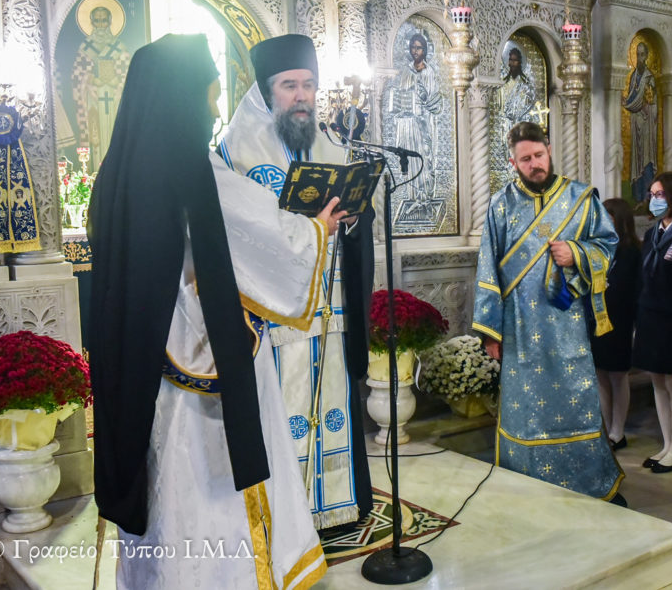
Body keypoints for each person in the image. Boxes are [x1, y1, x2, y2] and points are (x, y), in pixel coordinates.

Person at [89, 34, 346, 587]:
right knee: (206, 487)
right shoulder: (191, 169)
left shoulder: (114, 173)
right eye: (207, 95)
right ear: (181, 97)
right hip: (205, 363)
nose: (212, 108)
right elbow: (264, 234)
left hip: (145, 372)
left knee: (161, 484)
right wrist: (317, 231)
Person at [219, 34, 376, 529]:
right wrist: (312, 230)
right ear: (267, 92)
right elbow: (239, 234)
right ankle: (287, 519)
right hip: (270, 320)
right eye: (290, 86)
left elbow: (353, 223)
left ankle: (336, 508)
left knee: (333, 405)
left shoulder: (330, 145)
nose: (302, 96)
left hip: (330, 311)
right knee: (281, 412)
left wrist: (352, 221)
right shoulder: (234, 152)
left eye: (308, 85)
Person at [473, 122, 625, 502]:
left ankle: (585, 482)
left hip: (567, 324)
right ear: (513, 162)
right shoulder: (500, 205)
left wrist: (576, 253)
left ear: (550, 150)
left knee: (576, 401)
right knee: (526, 410)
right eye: (525, 159)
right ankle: (523, 486)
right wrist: (491, 332)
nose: (534, 164)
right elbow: (487, 268)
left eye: (539, 155)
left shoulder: (580, 197)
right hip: (520, 326)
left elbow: (608, 245)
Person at [633, 172, 672, 473]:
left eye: (660, 195)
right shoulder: (653, 232)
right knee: (656, 380)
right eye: (652, 195)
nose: (654, 201)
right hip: (650, 314)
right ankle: (666, 443)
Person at [588, 198, 641, 452]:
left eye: (607, 217)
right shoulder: (597, 248)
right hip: (596, 320)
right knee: (600, 374)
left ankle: (618, 431)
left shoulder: (631, 251)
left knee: (618, 376)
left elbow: (634, 289)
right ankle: (605, 428)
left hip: (619, 320)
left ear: (619, 220)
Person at [384, 32, 443, 201]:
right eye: (413, 47)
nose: (415, 51)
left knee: (422, 157)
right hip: (406, 122)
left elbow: (434, 100)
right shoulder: (405, 72)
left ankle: (423, 197)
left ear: (425, 50)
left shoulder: (429, 72)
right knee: (408, 159)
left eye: (419, 48)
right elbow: (399, 93)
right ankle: (411, 197)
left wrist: (423, 98)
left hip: (421, 123)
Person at [71, 4, 132, 169]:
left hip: (115, 99)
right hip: (93, 98)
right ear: (91, 23)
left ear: (110, 22)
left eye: (104, 21)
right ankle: (95, 169)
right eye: (97, 21)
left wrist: (117, 82)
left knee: (114, 130)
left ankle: (116, 167)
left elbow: (129, 74)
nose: (100, 25)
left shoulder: (118, 47)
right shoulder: (85, 47)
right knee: (95, 133)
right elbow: (77, 75)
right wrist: (91, 80)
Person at [624, 41, 658, 203]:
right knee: (636, 160)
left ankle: (648, 197)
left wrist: (648, 109)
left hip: (647, 124)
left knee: (646, 158)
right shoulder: (634, 77)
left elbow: (654, 101)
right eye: (637, 54)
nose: (640, 58)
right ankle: (637, 197)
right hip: (636, 121)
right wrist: (629, 103)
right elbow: (632, 97)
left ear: (647, 56)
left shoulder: (649, 77)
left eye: (642, 54)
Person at [498, 47, 538, 134]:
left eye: (515, 60)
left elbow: (530, 105)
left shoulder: (526, 84)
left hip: (522, 124)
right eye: (511, 60)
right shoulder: (503, 84)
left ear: (519, 62)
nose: (512, 63)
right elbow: (500, 107)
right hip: (506, 125)